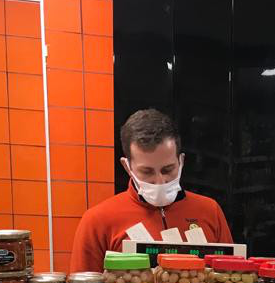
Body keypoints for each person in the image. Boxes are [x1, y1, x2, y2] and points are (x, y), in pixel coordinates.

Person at [69, 109, 233, 273]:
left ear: (181, 161)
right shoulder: (98, 221)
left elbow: (230, 277)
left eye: (168, 170)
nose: (159, 181)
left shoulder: (210, 211)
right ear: (127, 167)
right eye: (147, 172)